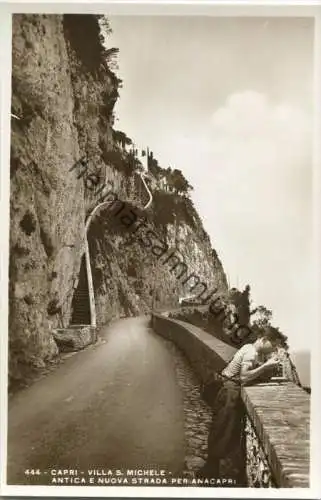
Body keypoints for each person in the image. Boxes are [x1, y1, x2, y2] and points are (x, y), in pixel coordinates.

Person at [197, 326, 283, 484]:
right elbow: (244, 377)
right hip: (230, 390)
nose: (274, 348)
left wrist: (269, 367)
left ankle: (214, 469)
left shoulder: (252, 349)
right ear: (264, 340)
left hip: (230, 390)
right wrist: (265, 366)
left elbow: (253, 375)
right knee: (222, 428)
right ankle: (210, 470)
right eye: (274, 345)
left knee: (224, 429)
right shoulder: (251, 352)